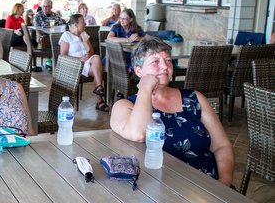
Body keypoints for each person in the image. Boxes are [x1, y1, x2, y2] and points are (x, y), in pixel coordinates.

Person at [110, 38, 234, 186]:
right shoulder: (124, 106)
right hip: (162, 191)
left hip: (207, 188)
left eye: (168, 60)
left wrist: (224, 183)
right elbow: (138, 134)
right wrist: (145, 88)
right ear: (138, 70)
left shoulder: (194, 99)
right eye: (155, 61)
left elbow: (222, 146)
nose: (164, 66)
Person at [59, 14, 109, 112]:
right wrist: (79, 59)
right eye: (83, 22)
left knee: (96, 59)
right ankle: (99, 100)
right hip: (74, 64)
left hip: (87, 62)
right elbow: (62, 56)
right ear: (76, 24)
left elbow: (91, 51)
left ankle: (99, 87)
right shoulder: (67, 35)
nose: (85, 24)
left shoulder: (84, 34)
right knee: (98, 70)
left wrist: (87, 55)